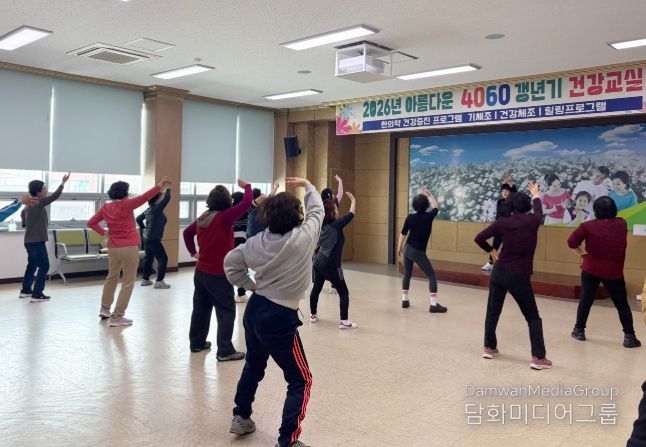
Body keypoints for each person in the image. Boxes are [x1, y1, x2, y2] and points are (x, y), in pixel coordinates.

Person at [224, 177, 323, 447]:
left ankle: (241, 416)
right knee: (301, 379)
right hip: (279, 318)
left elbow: (230, 262)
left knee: (253, 365)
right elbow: (317, 211)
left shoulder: (256, 242)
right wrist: (308, 186)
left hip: (255, 310)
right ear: (297, 216)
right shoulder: (304, 238)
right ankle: (288, 440)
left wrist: (249, 285)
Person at [474, 182, 552, 370]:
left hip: (499, 273)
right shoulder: (533, 220)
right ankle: (538, 357)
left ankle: (489, 347)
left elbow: (479, 238)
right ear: (527, 206)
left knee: (493, 312)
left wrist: (492, 251)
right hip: (519, 275)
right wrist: (535, 193)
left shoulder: (503, 222)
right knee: (532, 317)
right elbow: (539, 211)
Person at [182, 178, 252, 359]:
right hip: (218, 274)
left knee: (200, 309)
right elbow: (246, 203)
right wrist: (247, 187)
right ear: (227, 201)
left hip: (200, 272)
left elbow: (187, 233)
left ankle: (196, 343)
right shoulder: (224, 217)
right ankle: (225, 351)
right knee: (226, 310)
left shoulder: (203, 217)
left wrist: (193, 252)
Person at [88, 177, 172, 327]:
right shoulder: (127, 204)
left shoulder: (106, 207)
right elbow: (144, 197)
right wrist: (160, 186)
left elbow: (91, 223)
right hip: (129, 248)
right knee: (128, 282)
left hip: (113, 248)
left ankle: (105, 309)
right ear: (125, 193)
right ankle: (117, 316)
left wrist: (104, 233)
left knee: (111, 277)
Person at [567, 196, 641, 348]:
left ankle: (579, 330)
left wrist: (584, 255)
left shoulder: (587, 226)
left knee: (586, 299)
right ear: (614, 209)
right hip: (613, 271)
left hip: (590, 268)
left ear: (595, 211)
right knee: (622, 304)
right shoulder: (621, 223)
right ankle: (629, 337)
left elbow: (571, 242)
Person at [309, 192, 358, 329]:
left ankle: (313, 315)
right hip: (332, 264)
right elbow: (351, 215)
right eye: (336, 209)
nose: (337, 211)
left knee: (316, 289)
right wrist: (353, 200)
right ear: (331, 213)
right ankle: (344, 321)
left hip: (319, 262)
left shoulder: (322, 226)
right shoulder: (336, 225)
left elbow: (316, 245)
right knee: (344, 292)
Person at [19, 173, 70, 302]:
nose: (46, 190)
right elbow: (55, 196)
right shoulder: (37, 202)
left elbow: (23, 216)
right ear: (38, 192)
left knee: (32, 265)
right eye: (44, 188)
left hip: (30, 241)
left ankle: (26, 290)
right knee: (44, 266)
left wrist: (31, 224)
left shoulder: (29, 203)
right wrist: (63, 183)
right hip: (36, 241)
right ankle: (37, 294)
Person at [397, 187, 446, 313]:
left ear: (414, 205)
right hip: (418, 251)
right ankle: (433, 305)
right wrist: (429, 195)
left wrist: (399, 247)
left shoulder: (410, 217)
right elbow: (436, 207)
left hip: (407, 249)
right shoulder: (429, 216)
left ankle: (404, 300)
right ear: (426, 205)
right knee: (431, 275)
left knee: (407, 274)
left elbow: (403, 233)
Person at [136, 187, 172, 289]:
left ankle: (145, 279)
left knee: (149, 258)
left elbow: (138, 219)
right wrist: (168, 188)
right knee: (163, 259)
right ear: (157, 199)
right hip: (153, 238)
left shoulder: (149, 209)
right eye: (160, 197)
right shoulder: (157, 208)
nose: (161, 199)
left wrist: (144, 228)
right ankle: (159, 281)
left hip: (146, 237)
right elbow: (167, 198)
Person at [482, 177, 517, 271]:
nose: (504, 193)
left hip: (509, 228)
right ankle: (490, 263)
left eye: (507, 191)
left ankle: (508, 265)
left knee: (508, 247)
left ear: (510, 192)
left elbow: (515, 193)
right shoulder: (499, 202)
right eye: (503, 191)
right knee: (495, 246)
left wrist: (509, 182)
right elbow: (498, 215)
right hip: (499, 227)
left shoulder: (513, 201)